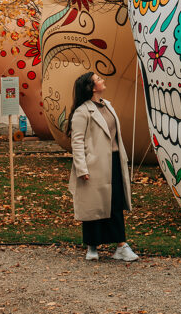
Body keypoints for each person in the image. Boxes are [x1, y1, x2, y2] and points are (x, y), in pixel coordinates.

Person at [68, 72, 137, 262]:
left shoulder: (108, 106)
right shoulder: (82, 112)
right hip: (94, 165)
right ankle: (92, 246)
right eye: (98, 79)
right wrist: (82, 169)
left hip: (113, 161)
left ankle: (121, 245)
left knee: (115, 203)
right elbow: (77, 142)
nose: (102, 81)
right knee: (93, 206)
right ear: (91, 87)